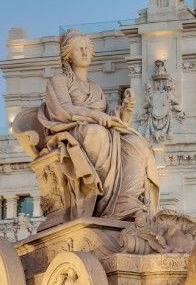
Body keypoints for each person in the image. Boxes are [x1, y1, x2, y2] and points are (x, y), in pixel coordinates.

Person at [36, 28, 159, 222]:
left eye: (87, 48)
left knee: (137, 143)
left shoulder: (95, 87)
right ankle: (104, 204)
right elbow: (63, 110)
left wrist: (124, 110)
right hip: (70, 132)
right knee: (97, 134)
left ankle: (126, 200)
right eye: (79, 49)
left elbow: (109, 116)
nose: (85, 52)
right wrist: (94, 115)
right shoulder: (58, 81)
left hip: (99, 131)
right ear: (68, 54)